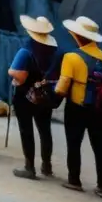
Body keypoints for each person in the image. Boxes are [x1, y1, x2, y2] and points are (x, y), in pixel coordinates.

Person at [55, 16, 102, 199]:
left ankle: (74, 180)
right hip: (99, 108)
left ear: (77, 36)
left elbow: (63, 85)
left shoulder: (71, 57)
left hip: (77, 106)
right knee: (99, 146)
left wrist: (53, 92)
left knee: (74, 143)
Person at [8, 15, 61, 180]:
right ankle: (47, 165)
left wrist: (10, 72)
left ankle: (29, 167)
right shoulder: (54, 51)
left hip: (25, 95)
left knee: (26, 130)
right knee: (45, 130)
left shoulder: (26, 51)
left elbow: (20, 76)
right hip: (45, 95)